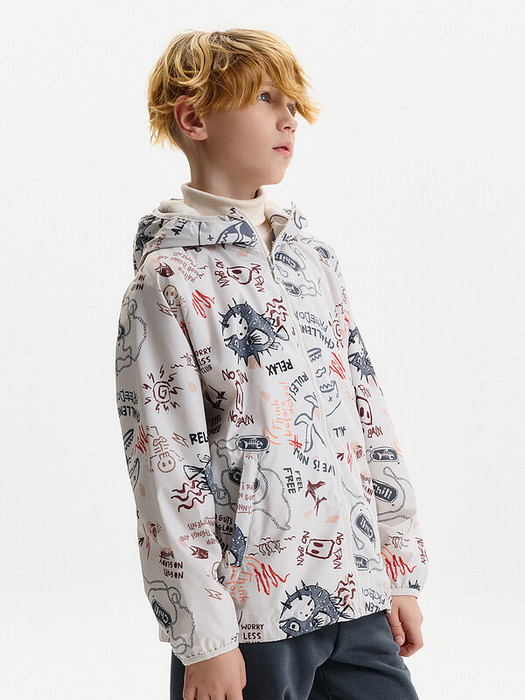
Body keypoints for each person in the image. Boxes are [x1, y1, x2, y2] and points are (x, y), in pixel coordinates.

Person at [114, 28, 429, 700]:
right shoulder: (167, 281)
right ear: (194, 119)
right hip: (249, 618)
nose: (288, 118)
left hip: (355, 594)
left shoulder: (312, 260)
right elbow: (167, 471)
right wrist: (205, 638)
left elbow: (367, 416)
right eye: (263, 98)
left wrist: (396, 568)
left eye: (291, 102)